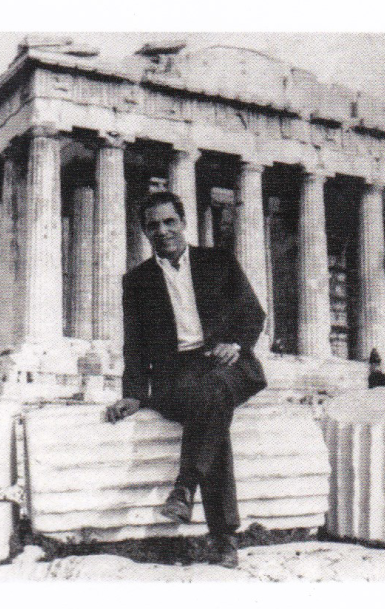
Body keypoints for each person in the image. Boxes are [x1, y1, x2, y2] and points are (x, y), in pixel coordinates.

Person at [104, 191, 267, 568]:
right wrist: (132, 395)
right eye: (152, 225)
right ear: (144, 232)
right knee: (212, 411)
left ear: (183, 223)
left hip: (228, 362)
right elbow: (135, 345)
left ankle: (185, 488)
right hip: (177, 374)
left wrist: (236, 343)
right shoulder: (137, 281)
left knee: (212, 392)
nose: (162, 231)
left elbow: (252, 313)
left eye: (169, 222)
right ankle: (224, 540)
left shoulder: (219, 261)